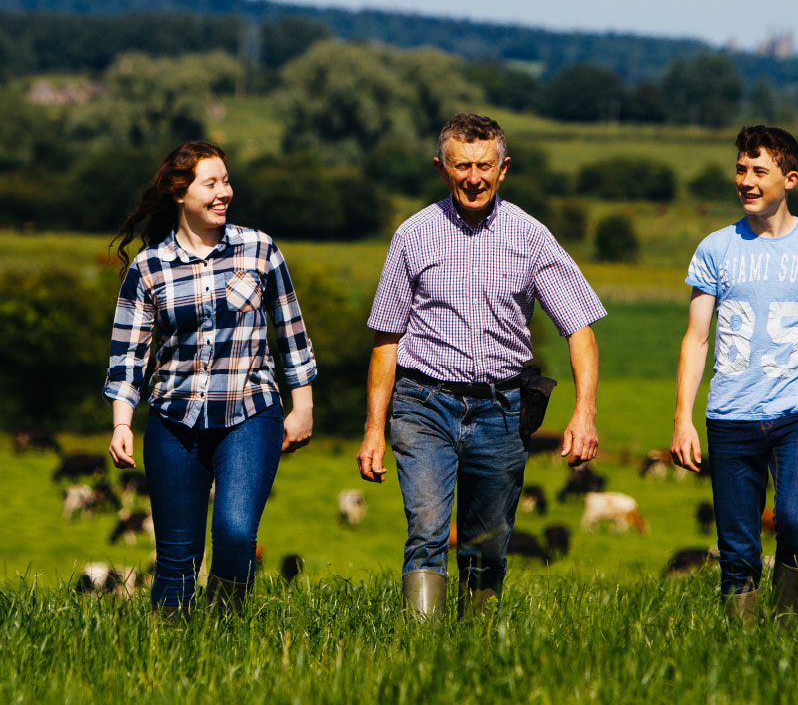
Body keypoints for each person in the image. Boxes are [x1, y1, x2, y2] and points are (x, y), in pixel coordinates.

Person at [357, 113, 606, 617]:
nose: (474, 177)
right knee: (427, 529)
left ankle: (474, 654)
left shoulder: (531, 237)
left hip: (503, 408)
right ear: (441, 167)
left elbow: (579, 328)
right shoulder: (413, 235)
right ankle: (421, 649)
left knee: (487, 544)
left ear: (504, 167)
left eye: (484, 166)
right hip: (423, 402)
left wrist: (584, 412)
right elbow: (386, 340)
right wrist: (373, 430)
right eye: (462, 165)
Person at [103, 141, 316, 616]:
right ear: (181, 194)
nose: (225, 192)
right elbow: (127, 357)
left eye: (226, 181)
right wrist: (121, 423)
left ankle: (223, 636)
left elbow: (291, 331)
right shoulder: (149, 268)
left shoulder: (259, 250)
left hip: (250, 413)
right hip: (173, 422)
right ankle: (174, 653)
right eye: (211, 183)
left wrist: (303, 405)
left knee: (237, 534)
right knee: (177, 557)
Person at [670, 125, 798, 624]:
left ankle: (788, 627)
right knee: (737, 548)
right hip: (730, 418)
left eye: (759, 171)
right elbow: (696, 338)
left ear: (789, 178)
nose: (746, 181)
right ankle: (743, 650)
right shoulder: (715, 249)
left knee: (795, 521)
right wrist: (682, 418)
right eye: (740, 170)